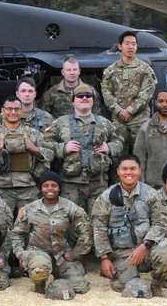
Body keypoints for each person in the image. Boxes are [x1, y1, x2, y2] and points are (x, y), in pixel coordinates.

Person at [91, 155, 167, 295]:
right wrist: (104, 258)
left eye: (133, 169)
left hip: (147, 247)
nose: (129, 172)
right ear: (118, 171)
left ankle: (157, 284)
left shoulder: (151, 194)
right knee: (123, 286)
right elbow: (99, 228)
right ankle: (132, 274)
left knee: (165, 256)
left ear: (139, 171)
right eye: (124, 169)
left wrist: (144, 245)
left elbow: (160, 223)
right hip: (123, 252)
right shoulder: (107, 196)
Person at [10, 172, 92, 295]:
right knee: (40, 271)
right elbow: (17, 233)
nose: (50, 189)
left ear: (59, 188)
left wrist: (75, 253)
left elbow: (86, 231)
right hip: (38, 252)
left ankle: (60, 279)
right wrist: (20, 253)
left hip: (62, 254)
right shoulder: (29, 209)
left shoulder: (71, 207)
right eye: (46, 185)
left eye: (54, 185)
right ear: (41, 188)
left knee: (79, 287)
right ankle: (39, 286)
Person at [0, 95, 54, 218]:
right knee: (2, 223)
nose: (13, 112)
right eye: (9, 109)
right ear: (3, 111)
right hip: (1, 188)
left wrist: (35, 149)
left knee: (31, 222)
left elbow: (51, 154)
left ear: (22, 111)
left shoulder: (33, 135)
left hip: (28, 188)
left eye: (17, 109)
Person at [50, 84, 123, 214]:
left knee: (98, 219)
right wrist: (63, 148)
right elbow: (45, 144)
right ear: (73, 101)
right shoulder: (60, 123)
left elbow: (119, 142)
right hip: (71, 184)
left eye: (88, 96)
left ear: (93, 101)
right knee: (74, 221)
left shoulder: (104, 123)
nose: (85, 98)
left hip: (98, 183)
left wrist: (109, 148)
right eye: (80, 96)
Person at [100, 31, 158, 148]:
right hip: (118, 121)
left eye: (133, 44)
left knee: (141, 154)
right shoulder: (111, 70)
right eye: (127, 43)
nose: (131, 47)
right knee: (118, 155)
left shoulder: (145, 69)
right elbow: (106, 92)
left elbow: (147, 92)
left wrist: (130, 110)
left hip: (140, 119)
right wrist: (119, 111)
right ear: (120, 46)